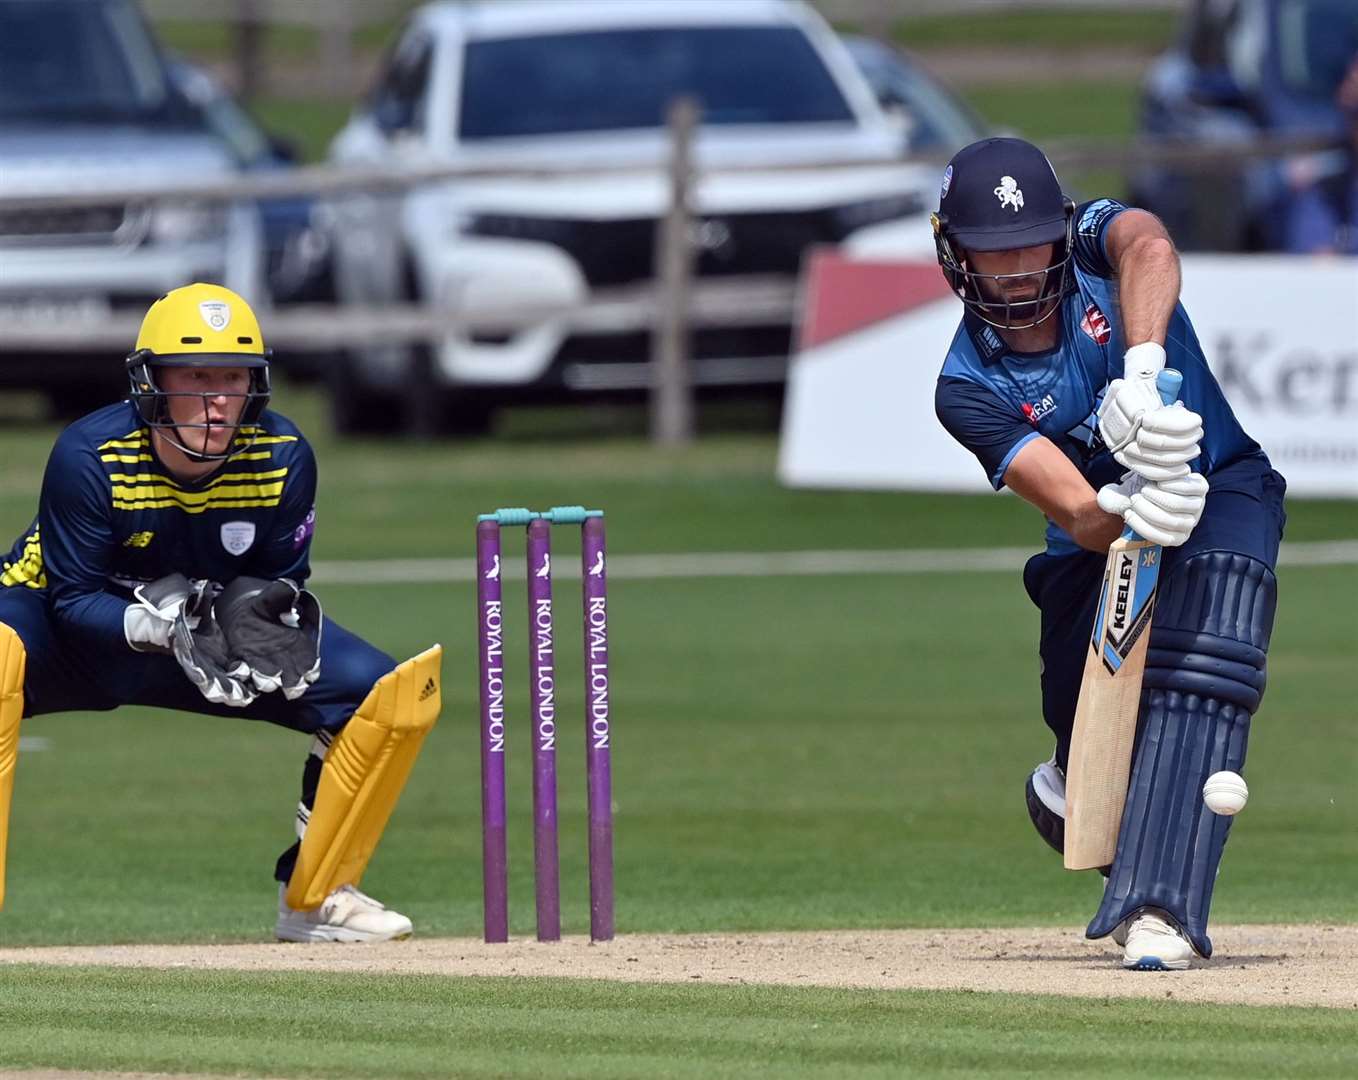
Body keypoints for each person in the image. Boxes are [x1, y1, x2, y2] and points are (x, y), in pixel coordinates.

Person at [930, 138, 1286, 970]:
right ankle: (1076, 780)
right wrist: (1127, 504)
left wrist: (1143, 367)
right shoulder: (965, 388)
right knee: (1086, 720)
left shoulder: (1094, 243)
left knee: (1209, 652)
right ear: (957, 255)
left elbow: (1150, 245)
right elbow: (1076, 512)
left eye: (1030, 244)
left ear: (1060, 232)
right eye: (992, 252)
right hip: (1097, 543)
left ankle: (1161, 901)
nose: (1017, 269)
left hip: (1224, 482)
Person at [0, 283, 442, 943]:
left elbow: (278, 583)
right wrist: (160, 627)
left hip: (197, 640)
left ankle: (317, 899)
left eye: (232, 378)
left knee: (390, 693)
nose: (215, 400)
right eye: (194, 377)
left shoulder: (283, 457)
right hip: (61, 630)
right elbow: (71, 598)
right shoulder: (92, 454)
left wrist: (252, 625)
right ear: (152, 384)